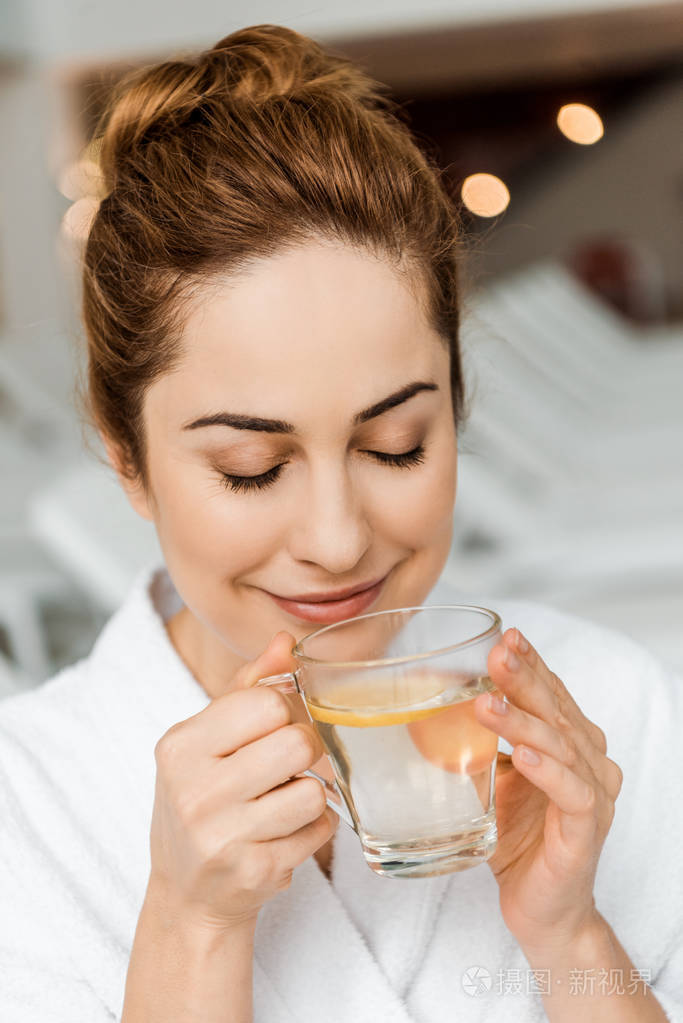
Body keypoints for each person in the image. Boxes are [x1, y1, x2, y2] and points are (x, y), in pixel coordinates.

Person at [0, 23, 681, 1023]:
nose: (336, 537)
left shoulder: (609, 707)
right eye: (252, 466)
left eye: (396, 445)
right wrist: (191, 929)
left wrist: (568, 933)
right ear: (127, 463)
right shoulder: (30, 803)